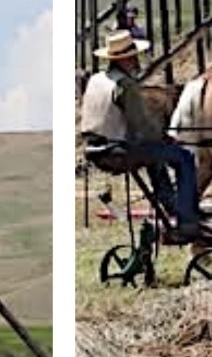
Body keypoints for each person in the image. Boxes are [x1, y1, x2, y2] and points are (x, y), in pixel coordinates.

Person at [79, 30, 203, 242]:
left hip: (94, 150)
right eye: (134, 56)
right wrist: (167, 138)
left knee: (156, 158)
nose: (137, 60)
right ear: (126, 59)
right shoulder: (126, 86)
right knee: (184, 158)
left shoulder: (97, 79)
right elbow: (143, 126)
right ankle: (187, 220)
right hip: (117, 152)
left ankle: (171, 205)